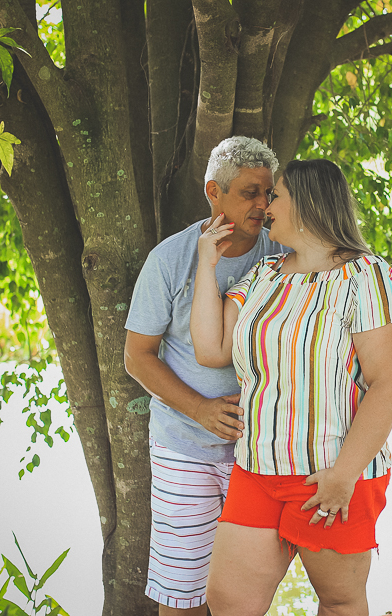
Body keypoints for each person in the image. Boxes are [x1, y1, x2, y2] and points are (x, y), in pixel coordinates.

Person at [190, 159, 392, 616]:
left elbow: (389, 385)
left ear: (308, 204)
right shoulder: (265, 275)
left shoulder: (368, 277)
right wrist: (206, 264)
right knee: (229, 601)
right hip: (257, 467)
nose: (266, 206)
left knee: (339, 603)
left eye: (275, 195)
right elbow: (210, 348)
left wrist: (343, 476)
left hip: (329, 475)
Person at [123, 136, 287, 616]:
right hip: (184, 447)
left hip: (260, 452)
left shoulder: (284, 254)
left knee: (246, 595)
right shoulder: (169, 260)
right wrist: (200, 409)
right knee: (183, 592)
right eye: (250, 192)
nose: (263, 204)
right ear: (214, 192)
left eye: (268, 193)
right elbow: (137, 357)